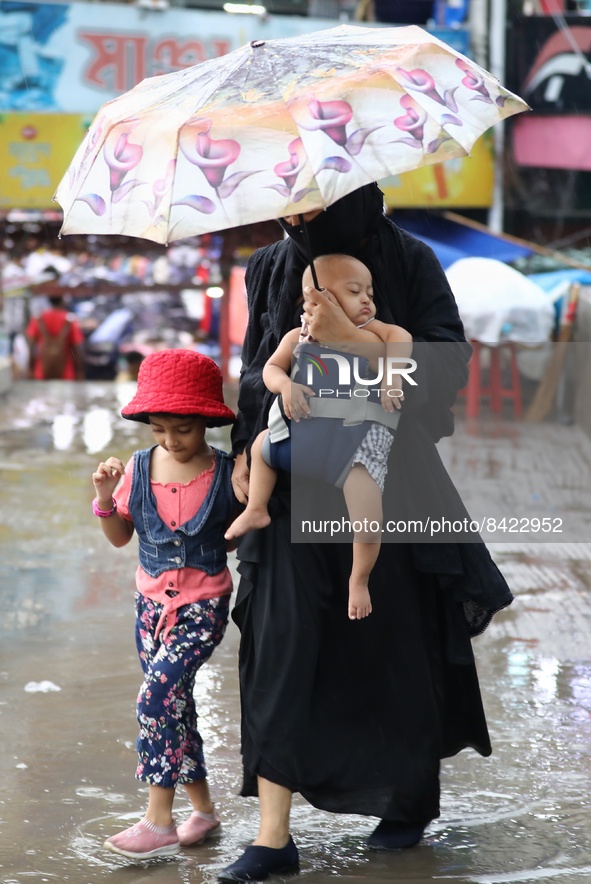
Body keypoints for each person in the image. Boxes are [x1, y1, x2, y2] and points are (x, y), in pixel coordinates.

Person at [219, 183, 514, 883]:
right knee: (280, 645)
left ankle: (406, 798)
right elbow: (256, 366)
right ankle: (272, 834)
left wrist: (351, 344)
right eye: (286, 205)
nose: (296, 218)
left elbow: (442, 361)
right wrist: (243, 445)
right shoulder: (269, 265)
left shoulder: (408, 260)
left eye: (311, 203)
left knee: (392, 643)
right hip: (289, 485)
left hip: (385, 478)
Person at [91, 348, 237, 861]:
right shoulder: (135, 469)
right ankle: (203, 809)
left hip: (202, 609)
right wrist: (106, 498)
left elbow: (236, 539)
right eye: (159, 430)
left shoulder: (226, 473)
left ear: (207, 423)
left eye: (183, 430)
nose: (171, 441)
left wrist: (249, 496)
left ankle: (158, 819)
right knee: (176, 705)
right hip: (149, 610)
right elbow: (117, 536)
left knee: (154, 700)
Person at [225, 253, 412, 620]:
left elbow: (402, 340)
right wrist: (286, 387)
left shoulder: (377, 333)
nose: (367, 300)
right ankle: (256, 509)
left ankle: (359, 579)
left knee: (369, 517)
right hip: (305, 443)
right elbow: (270, 370)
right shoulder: (299, 336)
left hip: (353, 448)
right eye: (355, 291)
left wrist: (391, 377)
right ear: (317, 299)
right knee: (262, 445)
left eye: (370, 293)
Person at [25, 294, 85, 380]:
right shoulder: (70, 320)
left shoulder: (38, 319)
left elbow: (32, 347)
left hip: (41, 373)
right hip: (66, 374)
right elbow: (77, 348)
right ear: (63, 300)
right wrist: (79, 371)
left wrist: (30, 368)